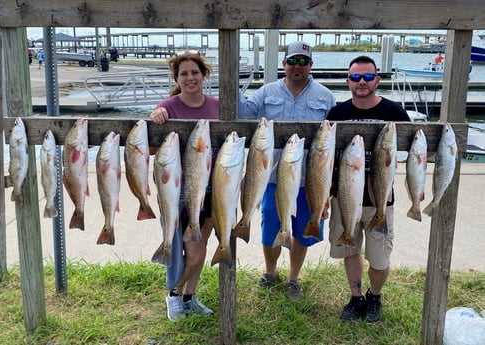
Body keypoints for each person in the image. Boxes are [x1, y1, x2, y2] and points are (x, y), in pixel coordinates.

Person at [238, 41, 336, 301]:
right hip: (270, 177)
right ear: (284, 64)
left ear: (311, 65)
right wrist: (229, 83)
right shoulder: (265, 92)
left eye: (303, 62)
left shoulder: (325, 97)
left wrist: (328, 192)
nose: (297, 66)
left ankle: (293, 277)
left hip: (310, 181)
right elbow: (243, 113)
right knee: (271, 228)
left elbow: (334, 144)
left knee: (303, 230)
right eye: (293, 61)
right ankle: (270, 272)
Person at [326, 55, 411, 323]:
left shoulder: (394, 112)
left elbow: (417, 145)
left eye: (366, 76)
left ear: (377, 79)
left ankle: (375, 296)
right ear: (347, 81)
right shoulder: (337, 113)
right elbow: (325, 160)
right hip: (345, 198)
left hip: (380, 202)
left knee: (379, 259)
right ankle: (356, 297)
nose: (361, 82)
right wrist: (326, 197)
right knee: (349, 250)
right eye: (355, 77)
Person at [149, 51, 218, 321]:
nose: (190, 78)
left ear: (204, 75)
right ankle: (174, 295)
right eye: (184, 74)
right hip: (178, 193)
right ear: (177, 78)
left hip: (211, 189)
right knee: (188, 252)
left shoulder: (217, 105)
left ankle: (189, 298)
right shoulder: (168, 107)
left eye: (195, 73)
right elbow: (154, 149)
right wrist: (156, 119)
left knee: (199, 250)